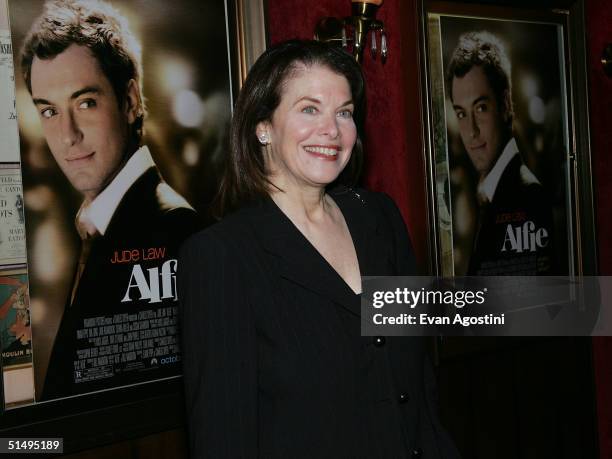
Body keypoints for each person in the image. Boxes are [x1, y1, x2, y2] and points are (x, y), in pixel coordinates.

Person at [179, 40, 459, 458]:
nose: (332, 129)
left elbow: (419, 387)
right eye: (309, 109)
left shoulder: (379, 218)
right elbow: (223, 437)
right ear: (263, 126)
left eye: (343, 112)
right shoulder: (223, 256)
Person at [20, 0, 198, 400]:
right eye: (49, 111)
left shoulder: (175, 227)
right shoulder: (97, 226)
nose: (67, 135)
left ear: (130, 101)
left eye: (85, 103)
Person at [447, 31, 554, 275]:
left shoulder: (527, 193)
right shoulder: (483, 192)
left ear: (505, 105)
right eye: (462, 113)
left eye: (481, 108)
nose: (471, 132)